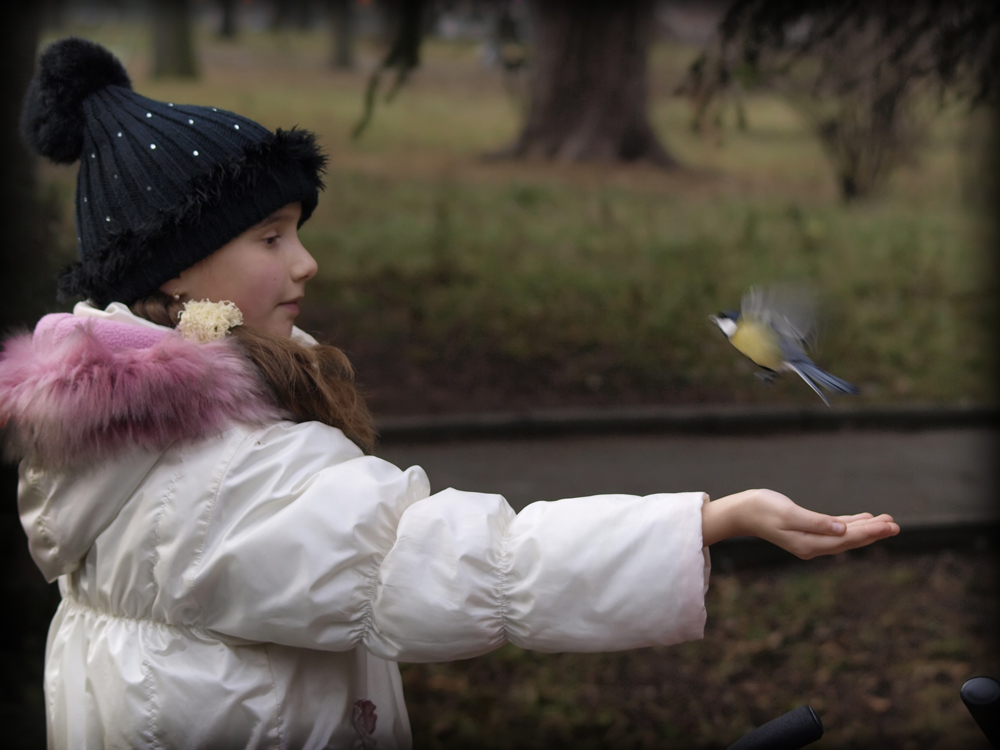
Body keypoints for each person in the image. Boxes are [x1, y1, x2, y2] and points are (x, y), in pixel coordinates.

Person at [0, 37, 899, 750]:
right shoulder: (222, 481)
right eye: (269, 237)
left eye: (297, 232)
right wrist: (706, 520)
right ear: (176, 266)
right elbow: (462, 561)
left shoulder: (133, 430)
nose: (306, 262)